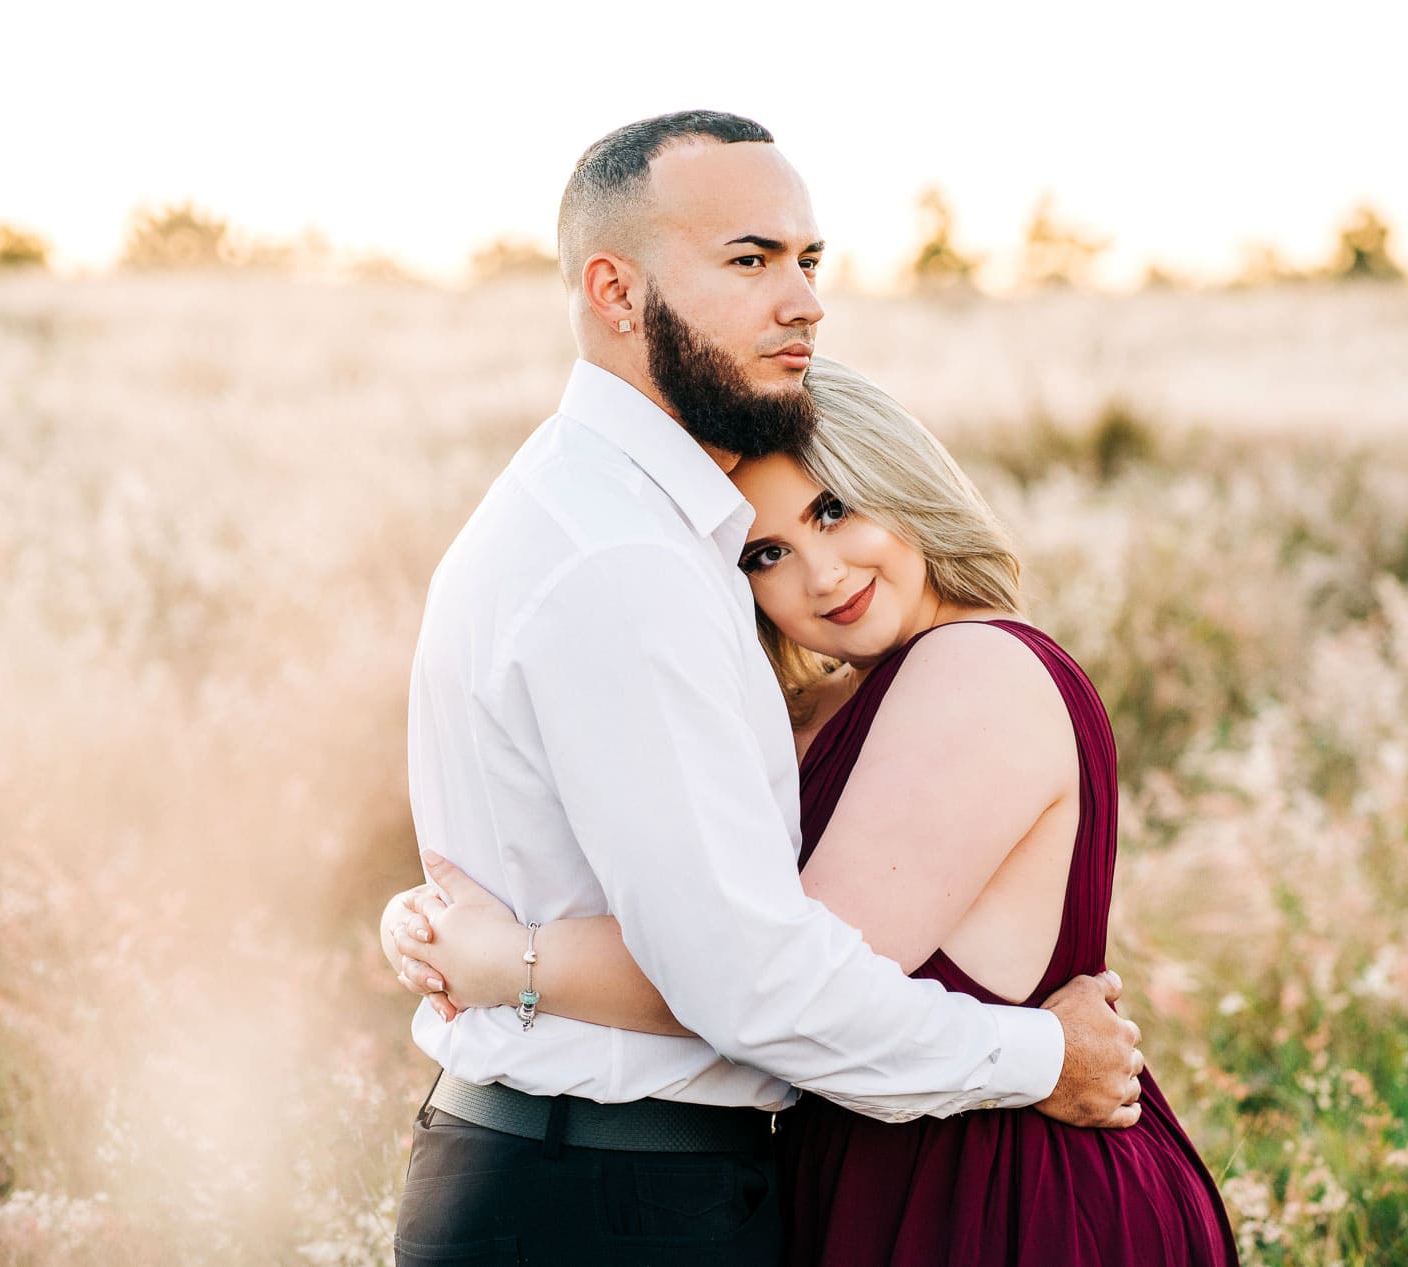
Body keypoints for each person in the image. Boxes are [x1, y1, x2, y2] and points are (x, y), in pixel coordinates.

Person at [381, 111, 1145, 1267]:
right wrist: (1044, 1056)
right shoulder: (627, 556)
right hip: (612, 1200)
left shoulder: (601, 516)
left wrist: (506, 958)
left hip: (615, 1175)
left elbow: (715, 926)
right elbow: (752, 977)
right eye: (749, 260)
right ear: (615, 290)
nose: (803, 302)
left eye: (808, 260)